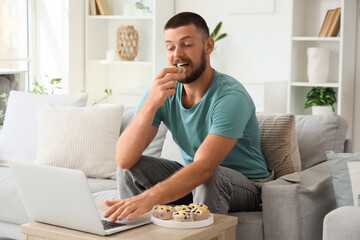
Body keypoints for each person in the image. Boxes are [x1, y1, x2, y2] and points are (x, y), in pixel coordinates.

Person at [104, 12, 271, 223]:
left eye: (187, 44)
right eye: (171, 47)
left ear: (208, 46)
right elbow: (124, 159)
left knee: (211, 176)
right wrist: (149, 105)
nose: (177, 55)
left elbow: (204, 167)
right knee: (130, 170)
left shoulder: (230, 96)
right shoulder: (162, 92)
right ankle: (132, 232)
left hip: (246, 185)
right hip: (196, 180)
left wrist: (149, 197)